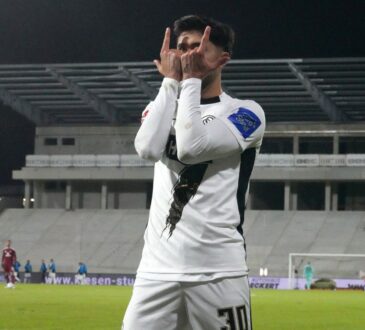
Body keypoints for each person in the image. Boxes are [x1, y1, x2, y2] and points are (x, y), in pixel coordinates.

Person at [123, 15, 265, 330]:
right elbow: (146, 149)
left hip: (219, 271)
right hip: (156, 271)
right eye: (181, 48)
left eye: (197, 48)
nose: (187, 55)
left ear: (222, 58)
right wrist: (171, 82)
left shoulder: (246, 112)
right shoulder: (159, 107)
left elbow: (191, 147)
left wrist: (187, 82)